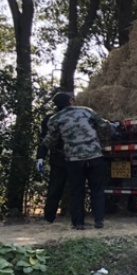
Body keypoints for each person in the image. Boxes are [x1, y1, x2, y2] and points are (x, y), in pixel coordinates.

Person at [40, 92, 118, 230]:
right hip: (94, 156)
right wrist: (115, 130)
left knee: (77, 191)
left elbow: (50, 140)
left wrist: (41, 154)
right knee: (97, 189)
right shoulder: (86, 111)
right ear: (71, 101)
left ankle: (78, 224)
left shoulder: (54, 119)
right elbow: (103, 125)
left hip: (74, 160)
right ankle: (99, 221)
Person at [36, 106, 68, 223]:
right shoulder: (72, 117)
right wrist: (41, 156)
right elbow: (45, 139)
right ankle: (78, 219)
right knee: (76, 188)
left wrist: (41, 157)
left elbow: (44, 140)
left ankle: (49, 217)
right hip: (73, 158)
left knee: (54, 188)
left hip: (58, 158)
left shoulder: (50, 118)